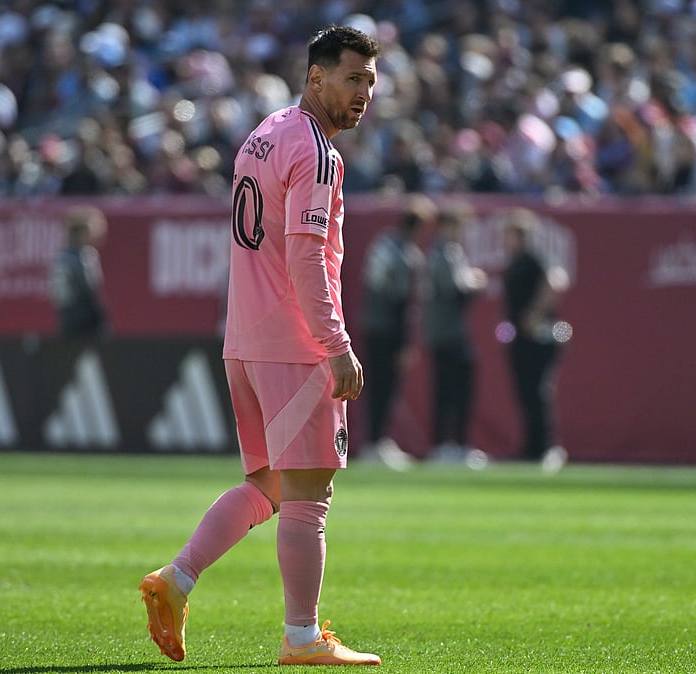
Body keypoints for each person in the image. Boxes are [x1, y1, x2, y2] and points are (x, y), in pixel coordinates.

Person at [138, 25, 381, 667]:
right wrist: (336, 345)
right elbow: (305, 258)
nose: (363, 94)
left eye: (370, 82)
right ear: (316, 77)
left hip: (244, 338)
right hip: (294, 344)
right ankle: (302, 637)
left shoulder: (265, 132)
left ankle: (176, 578)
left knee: (269, 487)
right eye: (352, 79)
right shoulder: (317, 153)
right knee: (309, 497)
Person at [358, 194, 430, 470]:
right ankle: (377, 441)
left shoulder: (383, 244)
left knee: (377, 386)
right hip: (389, 330)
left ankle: (375, 440)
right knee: (385, 387)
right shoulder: (408, 255)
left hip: (373, 325)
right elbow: (401, 301)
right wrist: (406, 342)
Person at [501, 207, 569, 473]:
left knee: (540, 390)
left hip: (541, 336)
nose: (504, 240)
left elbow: (556, 281)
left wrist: (535, 313)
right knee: (525, 392)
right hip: (520, 339)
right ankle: (531, 447)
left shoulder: (534, 259)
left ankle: (549, 446)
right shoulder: (513, 263)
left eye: (508, 234)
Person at [423, 203, 488, 468]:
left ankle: (453, 443)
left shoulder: (450, 252)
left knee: (455, 388)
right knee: (452, 389)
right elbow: (455, 289)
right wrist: (475, 282)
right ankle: (448, 444)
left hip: (448, 332)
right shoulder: (443, 252)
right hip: (447, 334)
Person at [49, 205, 109, 339]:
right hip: (84, 321)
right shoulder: (82, 257)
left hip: (66, 317)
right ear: (82, 233)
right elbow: (88, 290)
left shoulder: (61, 257)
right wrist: (100, 318)